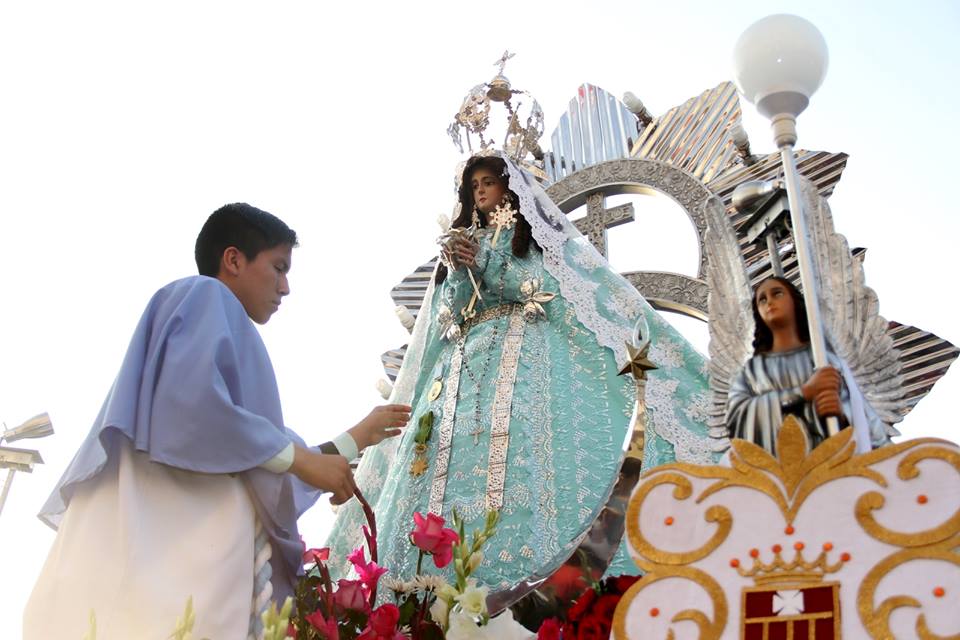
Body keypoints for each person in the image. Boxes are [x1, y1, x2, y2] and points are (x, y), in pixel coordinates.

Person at [324, 153, 715, 591]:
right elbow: (450, 315)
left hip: (520, 353)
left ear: (508, 187)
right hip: (462, 368)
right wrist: (457, 270)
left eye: (488, 182)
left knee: (521, 457)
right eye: (474, 187)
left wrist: (484, 263)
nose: (481, 192)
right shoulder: (467, 240)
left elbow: (534, 288)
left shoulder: (528, 239)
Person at [23, 203, 411, 639]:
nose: (286, 287)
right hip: (160, 577)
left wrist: (354, 439)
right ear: (233, 260)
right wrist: (304, 462)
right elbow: (196, 408)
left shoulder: (227, 386)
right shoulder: (204, 295)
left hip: (172, 578)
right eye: (279, 267)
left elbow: (256, 459)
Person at [726, 276, 888, 453]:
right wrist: (802, 393)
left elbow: (864, 418)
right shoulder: (752, 371)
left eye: (777, 294)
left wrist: (841, 413)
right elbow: (737, 418)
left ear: (794, 301)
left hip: (830, 458)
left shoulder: (824, 359)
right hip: (778, 467)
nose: (769, 302)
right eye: (762, 299)